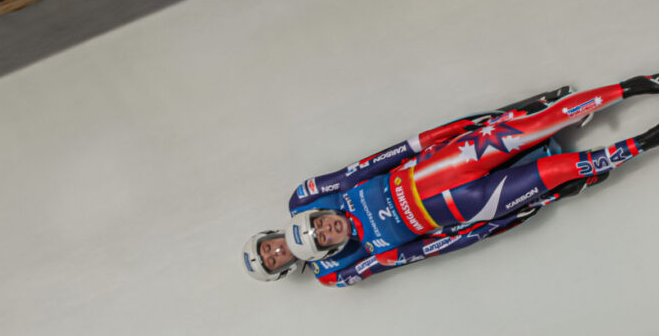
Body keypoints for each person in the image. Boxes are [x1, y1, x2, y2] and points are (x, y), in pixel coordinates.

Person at [245, 71, 659, 286]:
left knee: (543, 123)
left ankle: (632, 88)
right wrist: (493, 225)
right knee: (559, 170)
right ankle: (646, 142)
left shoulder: (328, 195)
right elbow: (423, 252)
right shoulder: (348, 266)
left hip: (445, 164)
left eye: (321, 222)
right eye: (324, 238)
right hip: (468, 203)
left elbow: (379, 159)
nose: (327, 229)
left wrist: (458, 129)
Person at [240, 85, 574, 282]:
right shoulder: (331, 274)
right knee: (477, 213)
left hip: (402, 181)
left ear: (268, 236)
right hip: (421, 223)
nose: (277, 252)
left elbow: (353, 174)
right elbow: (392, 259)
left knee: (453, 154)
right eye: (272, 261)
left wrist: (413, 147)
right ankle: (546, 178)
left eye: (268, 248)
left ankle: (525, 117)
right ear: (281, 270)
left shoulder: (302, 199)